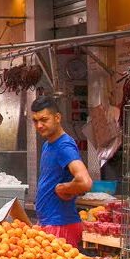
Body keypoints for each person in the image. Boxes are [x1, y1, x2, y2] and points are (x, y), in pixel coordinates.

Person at [31, 96, 92, 247]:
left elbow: (85, 181)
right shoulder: (48, 145)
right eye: (35, 120)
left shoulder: (64, 146)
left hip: (61, 225)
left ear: (57, 117)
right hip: (49, 223)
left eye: (44, 119)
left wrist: (64, 188)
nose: (39, 125)